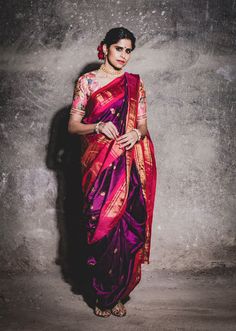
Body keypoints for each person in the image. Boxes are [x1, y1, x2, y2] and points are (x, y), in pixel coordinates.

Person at [68, 27, 157, 318]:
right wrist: (96, 127)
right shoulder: (88, 81)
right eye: (119, 48)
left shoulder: (135, 84)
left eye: (129, 50)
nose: (124, 56)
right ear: (104, 47)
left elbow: (142, 126)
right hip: (98, 168)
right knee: (101, 230)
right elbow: (72, 125)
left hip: (128, 166)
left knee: (126, 228)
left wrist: (135, 133)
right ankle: (100, 295)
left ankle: (116, 295)